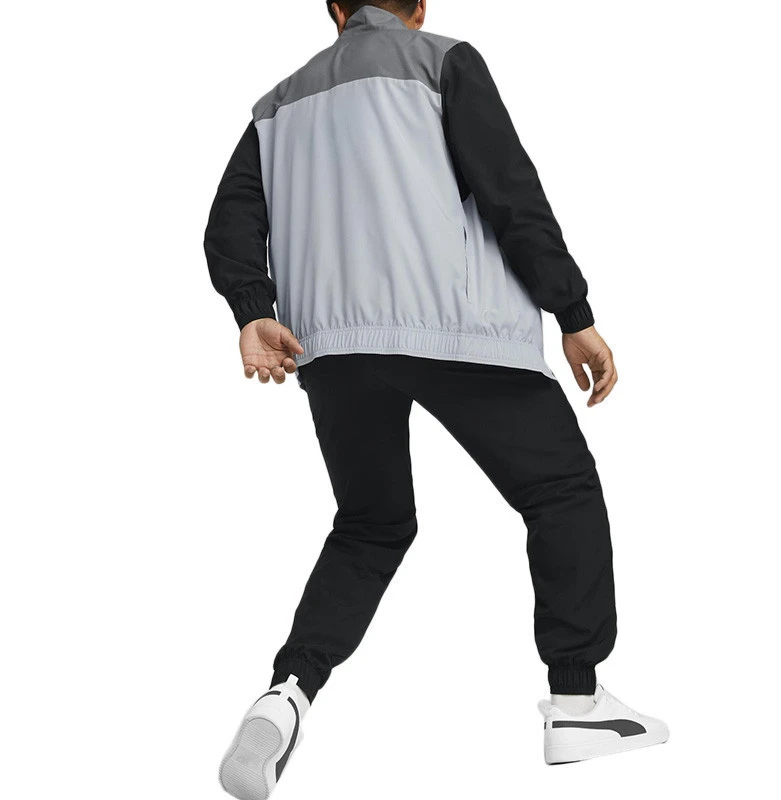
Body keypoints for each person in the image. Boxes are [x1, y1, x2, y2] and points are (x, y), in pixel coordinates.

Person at [205, 1, 668, 796]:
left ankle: (287, 692)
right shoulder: (444, 60)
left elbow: (230, 221)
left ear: (334, 11)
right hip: (453, 329)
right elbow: (509, 191)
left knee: (372, 523)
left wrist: (254, 310)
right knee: (559, 489)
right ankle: (577, 700)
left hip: (332, 347)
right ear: (420, 7)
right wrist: (573, 313)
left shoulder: (278, 103)